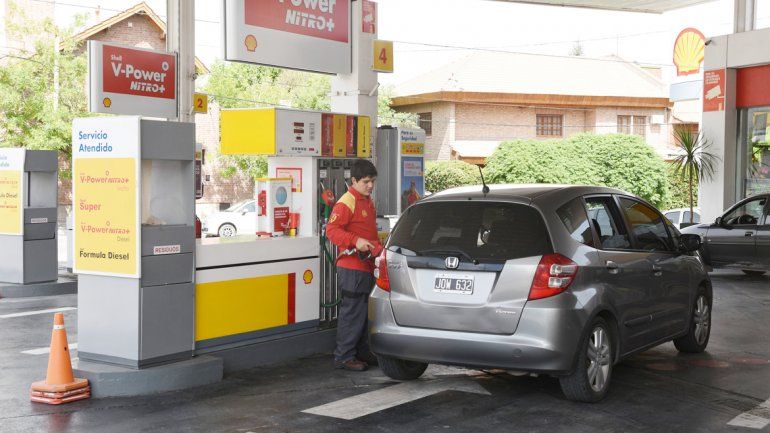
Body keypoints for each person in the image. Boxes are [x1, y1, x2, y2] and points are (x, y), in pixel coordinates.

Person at [325, 159, 382, 371]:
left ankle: (362, 353)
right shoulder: (347, 201)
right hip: (352, 267)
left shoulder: (366, 200)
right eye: (366, 181)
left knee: (365, 312)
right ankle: (344, 357)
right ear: (354, 180)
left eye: (373, 181)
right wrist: (355, 241)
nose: (370, 185)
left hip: (366, 265)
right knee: (353, 312)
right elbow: (331, 231)